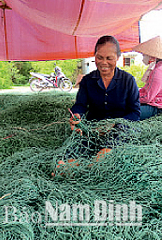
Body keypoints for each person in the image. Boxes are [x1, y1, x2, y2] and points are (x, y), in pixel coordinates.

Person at [57, 35, 139, 171]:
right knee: (80, 141)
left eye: (109, 58)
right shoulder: (87, 81)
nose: (103, 63)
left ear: (117, 57)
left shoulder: (128, 80)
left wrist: (115, 124)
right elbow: (80, 105)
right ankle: (69, 164)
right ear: (94, 56)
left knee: (116, 140)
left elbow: (135, 113)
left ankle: (96, 163)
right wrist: (77, 116)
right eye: (99, 58)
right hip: (93, 127)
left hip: (120, 128)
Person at [132, 36, 162, 120]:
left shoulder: (159, 71)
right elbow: (146, 90)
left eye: (144, 55)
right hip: (160, 106)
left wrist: (130, 98)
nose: (143, 58)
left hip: (160, 109)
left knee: (127, 112)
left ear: (152, 57)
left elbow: (146, 97)